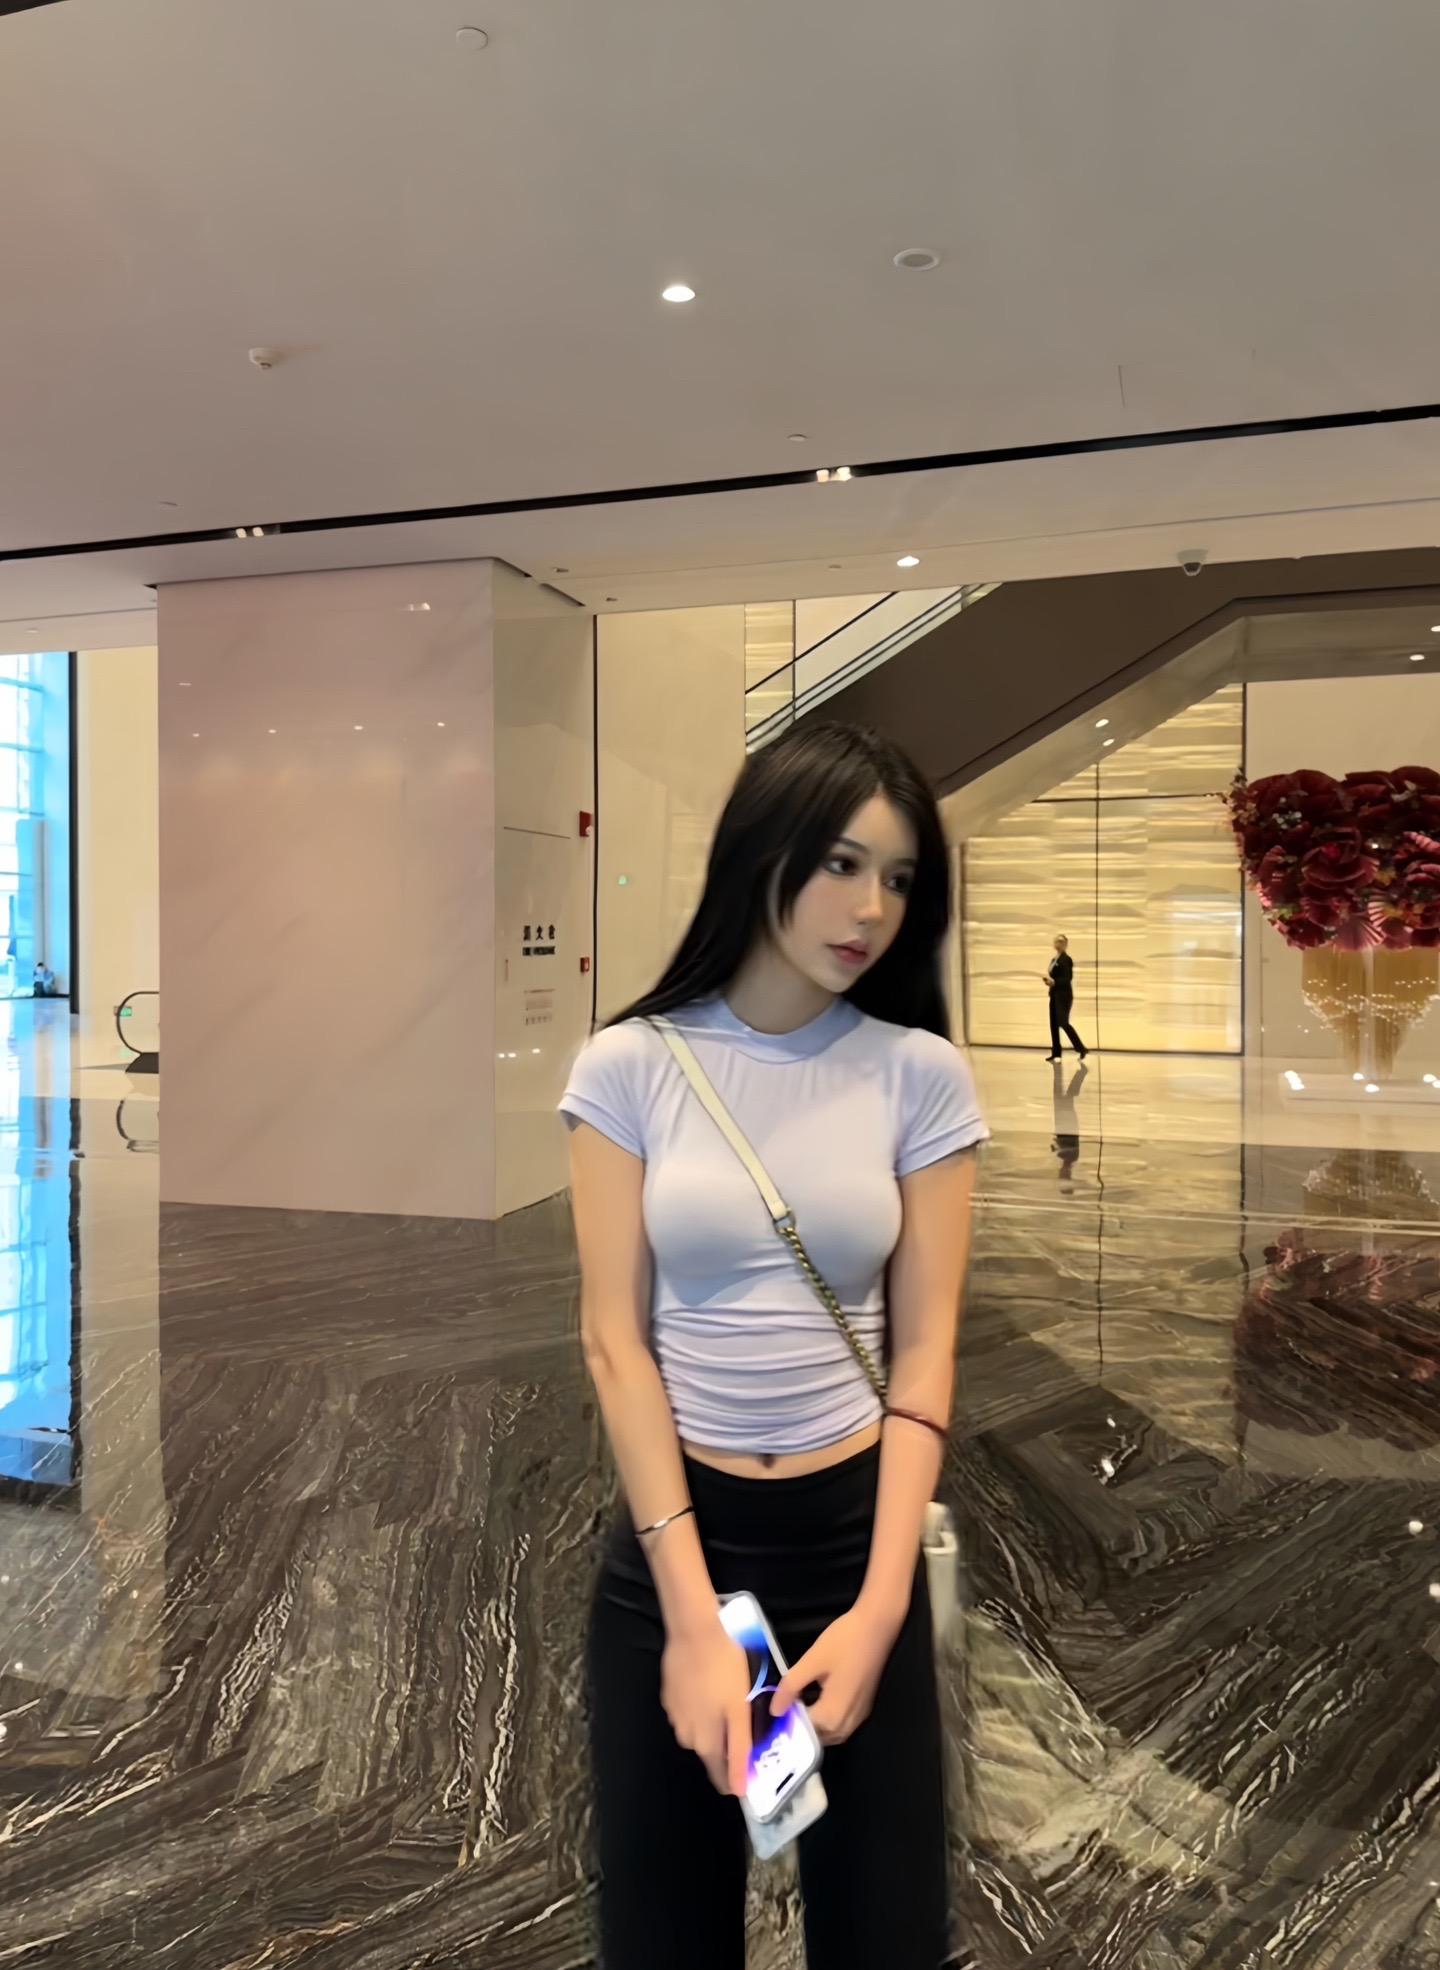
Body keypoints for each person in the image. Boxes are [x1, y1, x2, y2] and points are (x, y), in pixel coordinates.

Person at [562, 722, 988, 1970]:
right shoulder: (631, 1064)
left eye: (899, 878)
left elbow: (926, 1356)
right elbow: (614, 1341)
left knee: (887, 1934)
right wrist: (694, 1620)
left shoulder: (919, 1075)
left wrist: (882, 1603)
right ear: (765, 850)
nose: (871, 909)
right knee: (663, 1935)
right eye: (842, 864)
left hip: (857, 1550)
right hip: (677, 1554)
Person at [1042, 933, 1088, 1062]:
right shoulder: (1054, 959)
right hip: (1054, 994)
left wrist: (1054, 982)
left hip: (1064, 996)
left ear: (1066, 944)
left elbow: (1067, 978)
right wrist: (1049, 982)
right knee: (1053, 1024)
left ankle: (1081, 1048)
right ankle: (1056, 1052)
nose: (1059, 943)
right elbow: (1055, 976)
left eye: (1061, 942)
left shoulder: (1066, 959)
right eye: (1057, 941)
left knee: (1063, 1022)